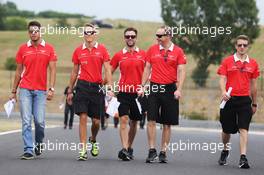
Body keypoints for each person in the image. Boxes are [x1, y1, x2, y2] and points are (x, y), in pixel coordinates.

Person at [10, 21, 57, 160]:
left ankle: (39, 143)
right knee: (26, 120)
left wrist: (51, 89)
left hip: (41, 91)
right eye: (31, 31)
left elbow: (53, 70)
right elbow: (18, 71)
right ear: (28, 33)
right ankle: (28, 149)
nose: (33, 33)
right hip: (25, 89)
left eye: (36, 31)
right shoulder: (23, 49)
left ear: (40, 31)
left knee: (40, 121)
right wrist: (13, 91)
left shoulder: (48, 48)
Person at [139, 26, 187, 163]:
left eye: (160, 36)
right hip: (154, 87)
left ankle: (163, 152)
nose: (157, 38)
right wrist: (142, 86)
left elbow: (181, 71)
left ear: (169, 36)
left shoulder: (178, 51)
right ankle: (152, 150)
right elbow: (147, 68)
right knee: (151, 120)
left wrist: (179, 89)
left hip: (170, 88)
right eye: (156, 35)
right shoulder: (152, 49)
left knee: (167, 123)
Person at [67, 23, 113, 161]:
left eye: (91, 32)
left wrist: (110, 87)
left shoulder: (102, 49)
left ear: (95, 33)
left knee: (96, 122)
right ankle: (82, 149)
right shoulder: (78, 51)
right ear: (83, 34)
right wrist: (70, 89)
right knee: (82, 117)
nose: (88, 35)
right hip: (81, 87)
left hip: (97, 88)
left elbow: (107, 69)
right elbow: (75, 71)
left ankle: (93, 139)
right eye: (86, 32)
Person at [217, 35, 259, 169]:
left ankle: (243, 158)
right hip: (229, 99)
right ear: (235, 46)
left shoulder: (253, 64)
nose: (242, 47)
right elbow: (222, 78)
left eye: (244, 45)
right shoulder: (227, 61)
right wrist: (223, 91)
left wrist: (254, 103)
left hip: (244, 101)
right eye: (239, 45)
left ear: (248, 47)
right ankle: (225, 150)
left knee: (243, 129)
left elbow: (254, 86)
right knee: (226, 130)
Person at [110, 27, 146, 161]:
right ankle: (124, 148)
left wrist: (144, 87)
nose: (130, 39)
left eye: (132, 36)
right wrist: (108, 87)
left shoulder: (144, 54)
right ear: (124, 38)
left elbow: (149, 72)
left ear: (136, 38)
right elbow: (109, 71)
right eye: (127, 36)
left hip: (138, 93)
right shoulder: (119, 55)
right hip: (123, 92)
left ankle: (129, 147)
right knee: (123, 119)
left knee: (135, 121)